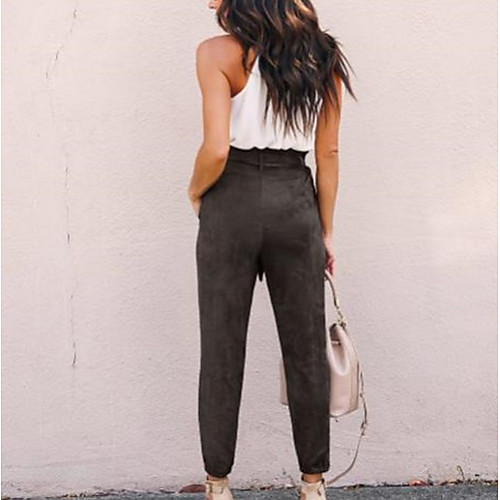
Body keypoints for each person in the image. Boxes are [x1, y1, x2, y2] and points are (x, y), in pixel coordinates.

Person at [187, 1, 356, 498]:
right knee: (306, 348)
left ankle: (218, 484)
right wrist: (325, 231)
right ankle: (313, 483)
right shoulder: (322, 56)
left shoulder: (216, 53)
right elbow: (327, 152)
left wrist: (195, 192)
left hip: (231, 197)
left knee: (221, 346)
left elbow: (216, 148)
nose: (208, 1)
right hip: (294, 199)